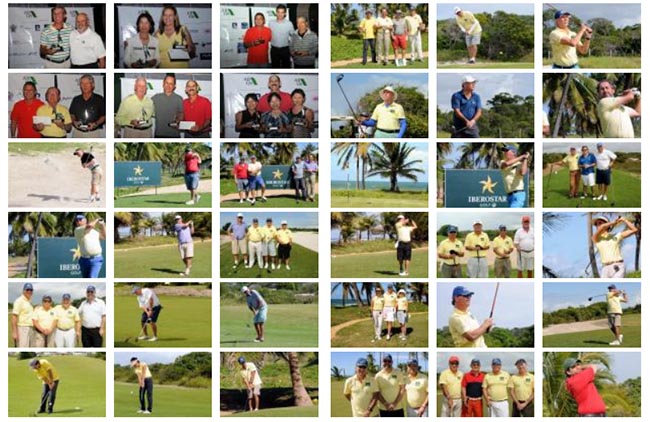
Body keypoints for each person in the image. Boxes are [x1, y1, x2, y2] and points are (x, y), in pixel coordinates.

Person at [12, 283, 35, 347]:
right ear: (23, 290)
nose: (29, 291)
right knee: (23, 346)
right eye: (27, 290)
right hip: (22, 328)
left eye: (31, 290)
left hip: (31, 328)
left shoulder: (29, 301)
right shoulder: (19, 301)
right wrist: (14, 332)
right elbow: (14, 316)